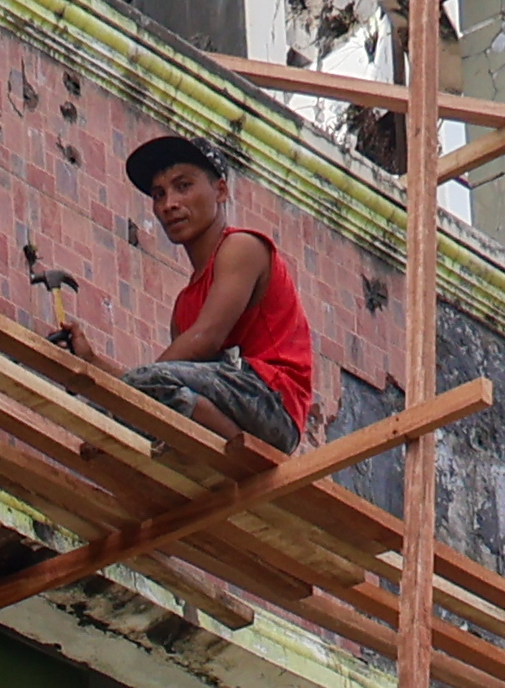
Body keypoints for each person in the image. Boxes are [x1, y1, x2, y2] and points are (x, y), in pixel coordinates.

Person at [67, 134, 317, 453]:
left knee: (141, 403)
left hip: (271, 406)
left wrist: (121, 410)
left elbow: (206, 340)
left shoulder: (241, 248)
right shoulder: (184, 307)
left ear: (220, 191)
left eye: (183, 186)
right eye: (159, 194)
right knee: (157, 402)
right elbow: (168, 383)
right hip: (230, 408)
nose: (169, 204)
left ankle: (248, 458)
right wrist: (92, 364)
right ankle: (232, 449)